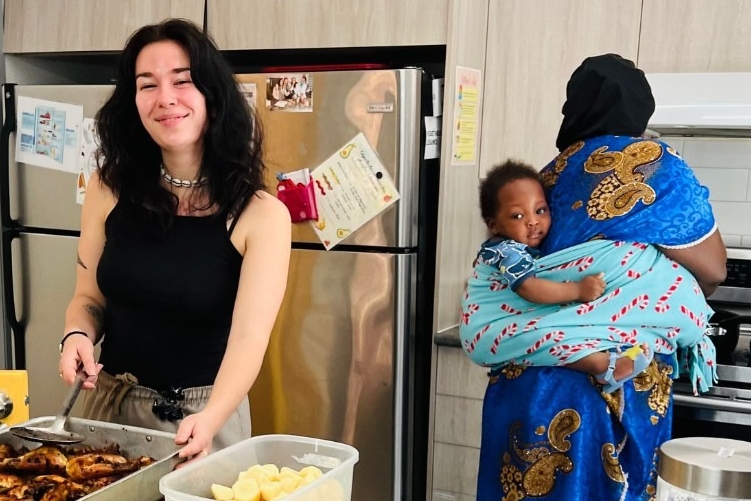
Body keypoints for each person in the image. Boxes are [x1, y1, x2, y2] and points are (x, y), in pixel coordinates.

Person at [470, 53, 726, 501]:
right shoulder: (654, 166)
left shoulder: (547, 174)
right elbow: (714, 270)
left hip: (527, 375)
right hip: (610, 386)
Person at [57, 18, 291, 464]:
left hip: (204, 421)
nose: (165, 98)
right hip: (110, 414)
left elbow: (248, 342)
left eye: (182, 81)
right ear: (134, 101)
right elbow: (88, 298)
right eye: (148, 85)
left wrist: (211, 418)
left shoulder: (261, 216)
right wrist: (75, 335)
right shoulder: (107, 189)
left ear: (213, 97)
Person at [465, 159, 658, 393]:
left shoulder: (516, 248)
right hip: (485, 333)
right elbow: (528, 289)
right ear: (494, 225)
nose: (532, 221)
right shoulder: (508, 252)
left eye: (540, 210)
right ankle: (603, 367)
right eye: (517, 216)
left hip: (493, 332)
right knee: (547, 338)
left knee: (547, 335)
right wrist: (577, 290)